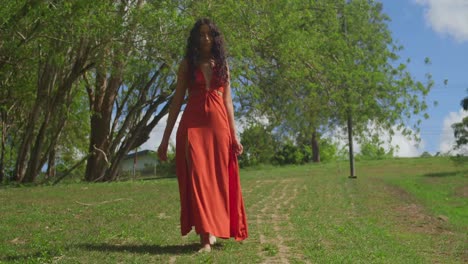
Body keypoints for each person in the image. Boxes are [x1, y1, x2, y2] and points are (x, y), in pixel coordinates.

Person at [157, 18, 248, 253]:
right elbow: (177, 101)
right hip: (193, 125)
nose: (205, 38)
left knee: (216, 179)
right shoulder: (187, 65)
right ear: (195, 38)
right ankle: (205, 238)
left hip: (218, 126)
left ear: (215, 38)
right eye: (201, 34)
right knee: (197, 176)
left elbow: (228, 102)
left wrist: (234, 135)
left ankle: (215, 228)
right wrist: (165, 138)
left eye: (209, 34)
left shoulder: (222, 65)